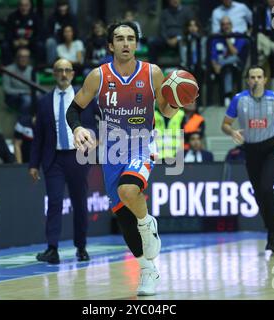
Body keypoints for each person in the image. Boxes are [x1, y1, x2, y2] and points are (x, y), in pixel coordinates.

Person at [66, 21, 185, 296]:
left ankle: (148, 223)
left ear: (136, 43)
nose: (126, 43)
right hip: (111, 150)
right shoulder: (98, 76)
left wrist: (177, 98)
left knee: (129, 189)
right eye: (119, 39)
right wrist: (79, 127)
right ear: (110, 46)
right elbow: (73, 110)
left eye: (130, 38)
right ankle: (147, 269)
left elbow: (167, 112)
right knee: (123, 218)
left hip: (142, 143)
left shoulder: (152, 72)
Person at [221, 65, 274, 253]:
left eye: (259, 77)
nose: (256, 80)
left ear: (265, 79)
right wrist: (231, 131)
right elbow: (225, 124)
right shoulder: (239, 100)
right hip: (251, 151)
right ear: (248, 80)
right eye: (252, 77)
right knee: (259, 194)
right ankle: (271, 226)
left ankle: (273, 231)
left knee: (265, 186)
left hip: (272, 148)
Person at [29, 58, 92, 265]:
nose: (64, 74)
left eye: (67, 70)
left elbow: (99, 122)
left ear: (73, 74)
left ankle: (81, 247)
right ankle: (52, 248)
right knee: (54, 202)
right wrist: (33, 165)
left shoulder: (84, 98)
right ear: (54, 74)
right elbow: (38, 136)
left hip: (78, 157)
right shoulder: (44, 101)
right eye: (59, 71)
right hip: (53, 159)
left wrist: (97, 140)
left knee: (80, 203)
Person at [210, 16, 248, 107]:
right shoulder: (216, 38)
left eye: (228, 24)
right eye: (223, 24)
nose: (226, 26)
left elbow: (235, 53)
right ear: (220, 26)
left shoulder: (238, 36)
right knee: (227, 68)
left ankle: (227, 96)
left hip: (237, 64)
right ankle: (227, 95)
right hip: (223, 66)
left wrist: (227, 39)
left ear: (231, 25)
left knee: (232, 61)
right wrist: (215, 66)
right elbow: (213, 56)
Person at [1, 0, 44, 66]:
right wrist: (13, 41)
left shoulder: (36, 17)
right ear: (19, 6)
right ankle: (8, 69)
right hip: (16, 43)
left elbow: (39, 34)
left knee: (40, 45)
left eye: (26, 5)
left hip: (30, 43)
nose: (24, 8)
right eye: (22, 5)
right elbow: (8, 33)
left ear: (30, 6)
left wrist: (29, 41)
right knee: (5, 45)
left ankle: (39, 68)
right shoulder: (12, 17)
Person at [3, 47, 33, 117]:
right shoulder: (8, 70)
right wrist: (24, 92)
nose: (24, 59)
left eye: (26, 57)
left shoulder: (33, 71)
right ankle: (22, 123)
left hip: (30, 96)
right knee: (27, 99)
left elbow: (37, 89)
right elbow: (7, 90)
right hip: (13, 97)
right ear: (17, 58)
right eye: (21, 57)